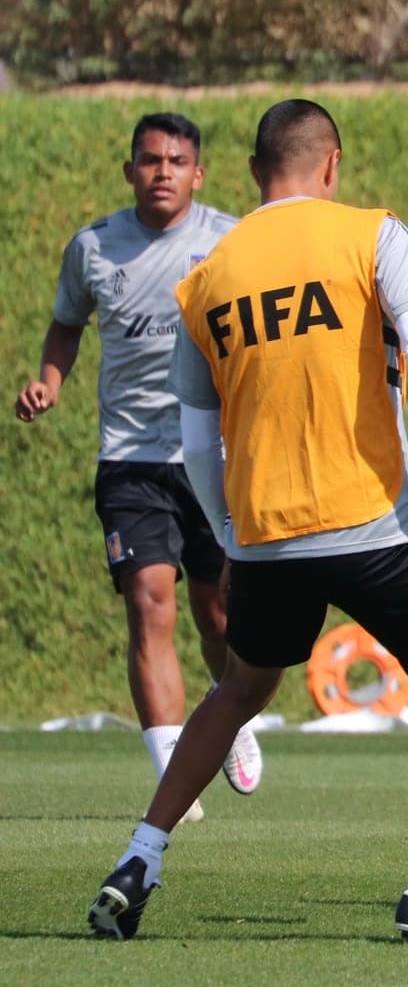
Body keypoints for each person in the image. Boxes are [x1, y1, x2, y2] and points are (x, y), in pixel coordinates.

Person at [86, 99, 408, 945]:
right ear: (332, 166)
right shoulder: (372, 235)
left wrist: (231, 530)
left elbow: (198, 436)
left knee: (241, 687)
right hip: (370, 524)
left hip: (261, 538)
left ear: (253, 174)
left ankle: (140, 856)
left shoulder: (207, 277)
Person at [14, 112, 263, 820]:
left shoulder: (230, 241)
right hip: (129, 459)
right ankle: (171, 776)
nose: (162, 171)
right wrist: (50, 382)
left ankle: (234, 718)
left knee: (218, 614)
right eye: (149, 160)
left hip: (211, 455)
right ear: (130, 171)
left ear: (198, 173)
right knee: (148, 604)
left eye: (177, 160)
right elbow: (67, 322)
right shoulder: (93, 247)